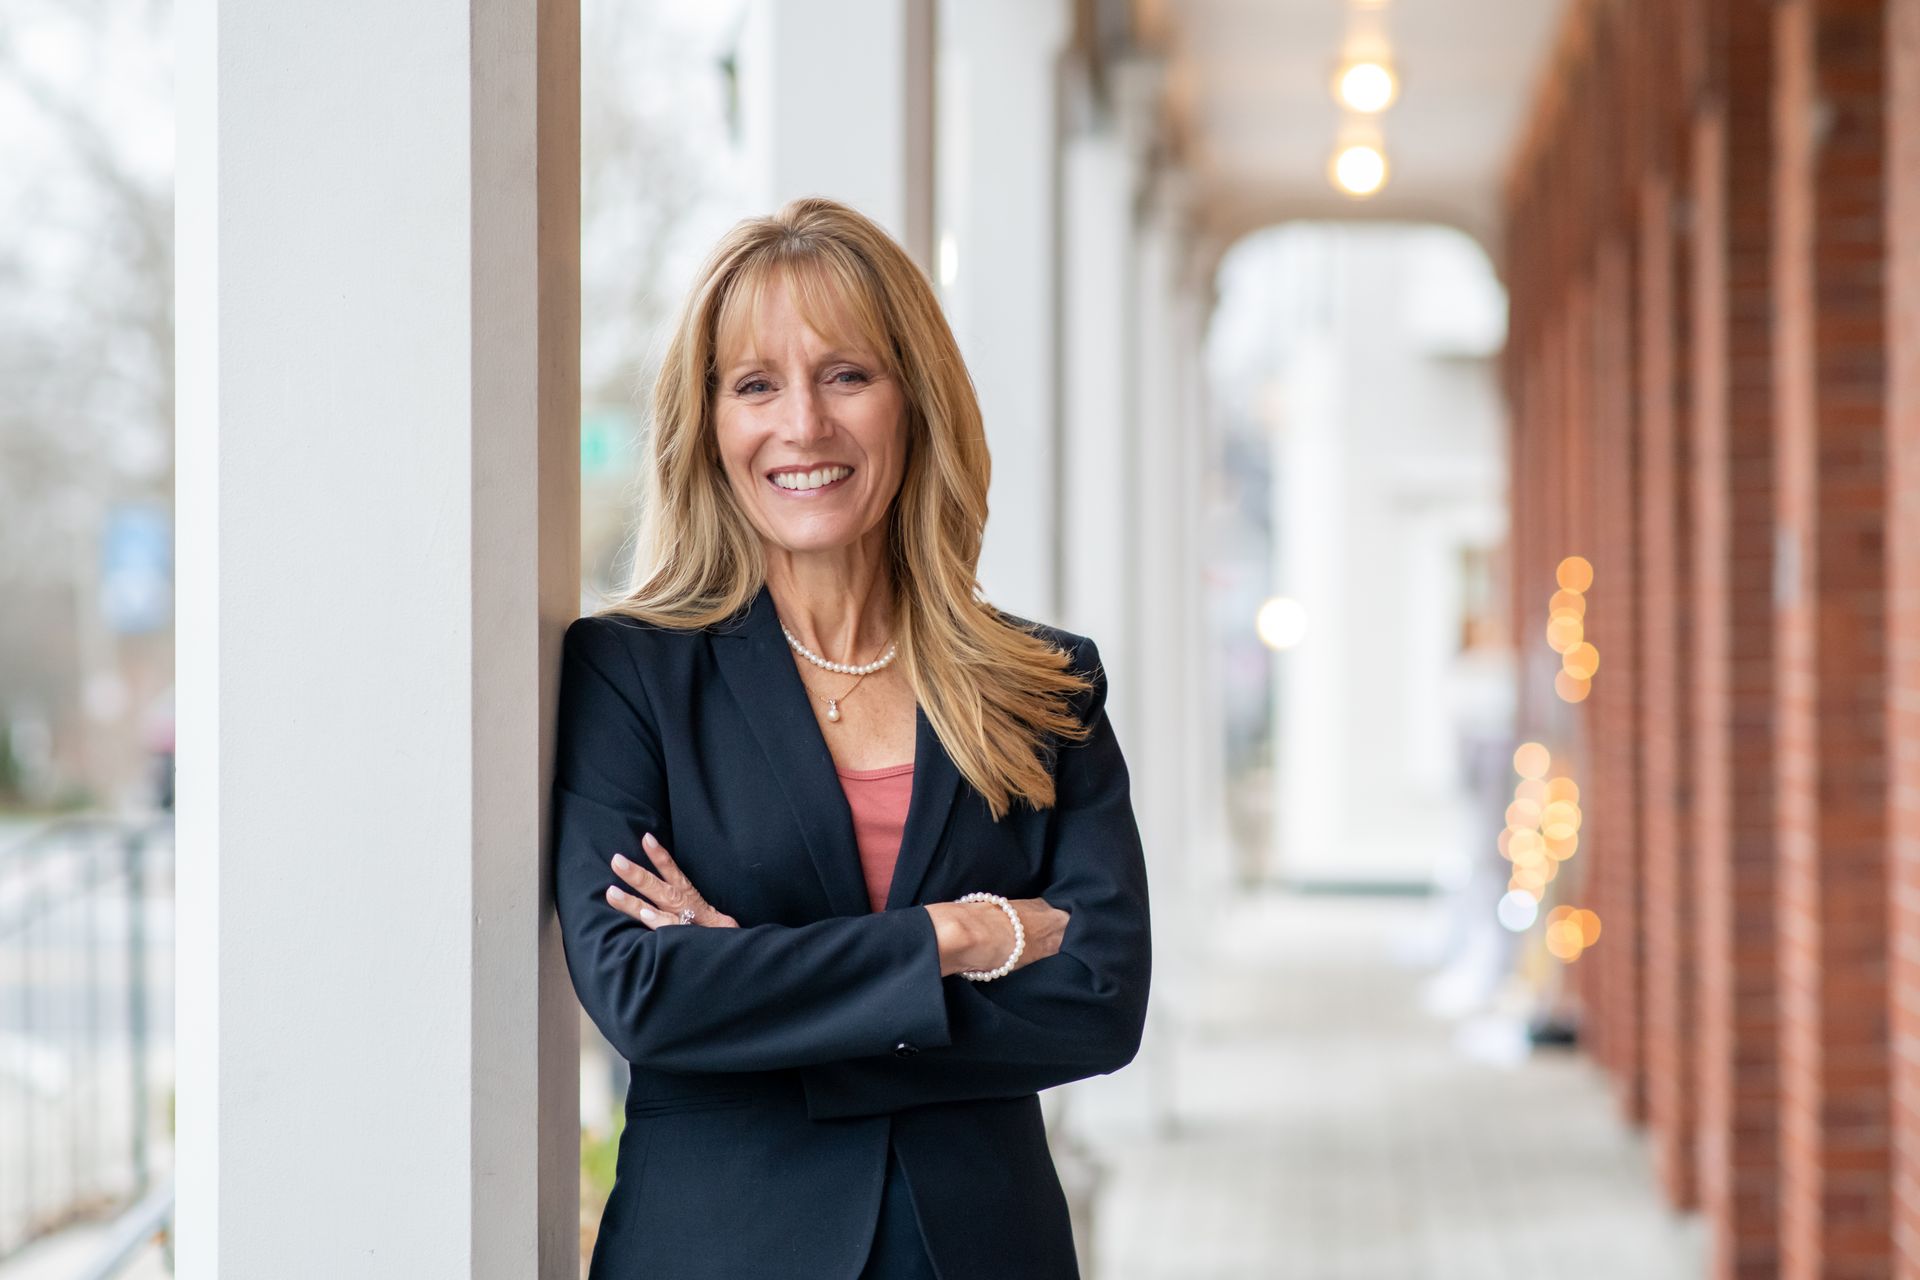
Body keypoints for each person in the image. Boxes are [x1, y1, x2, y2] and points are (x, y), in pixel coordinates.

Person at [551, 196, 1153, 1280]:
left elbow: (1101, 1003)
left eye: (846, 375)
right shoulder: (631, 674)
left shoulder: (1042, 684)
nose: (804, 426)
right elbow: (644, 991)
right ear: (711, 423)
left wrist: (753, 983)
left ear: (912, 400)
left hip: (980, 1246)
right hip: (716, 1246)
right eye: (755, 384)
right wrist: (954, 939)